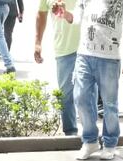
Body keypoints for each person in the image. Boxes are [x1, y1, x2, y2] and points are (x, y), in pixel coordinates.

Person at [54, 0, 123, 160]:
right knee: (80, 98)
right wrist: (65, 14)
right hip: (84, 55)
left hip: (109, 58)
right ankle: (90, 141)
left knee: (110, 104)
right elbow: (77, 18)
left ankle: (110, 143)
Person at [35, 0, 80, 136]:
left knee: (89, 94)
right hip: (63, 49)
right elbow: (41, 14)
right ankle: (70, 133)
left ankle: (92, 135)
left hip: (89, 48)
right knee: (66, 95)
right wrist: (37, 42)